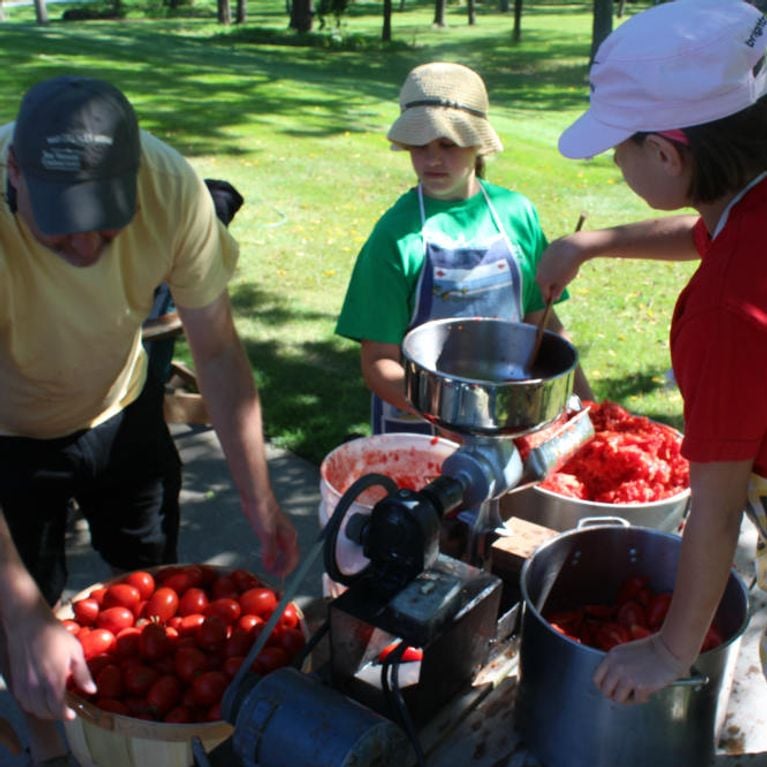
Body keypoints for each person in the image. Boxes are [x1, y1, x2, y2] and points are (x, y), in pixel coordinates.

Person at [0, 75, 300, 765]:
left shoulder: (170, 187)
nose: (86, 250)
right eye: (62, 227)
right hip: (8, 434)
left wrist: (258, 499)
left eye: (107, 223)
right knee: (23, 608)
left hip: (121, 404)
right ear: (14, 171)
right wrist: (20, 610)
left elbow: (217, 349)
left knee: (150, 566)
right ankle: (47, 748)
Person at [535, 0, 767, 705]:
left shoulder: (725, 309)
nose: (615, 159)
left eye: (620, 147)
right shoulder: (750, 202)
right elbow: (708, 231)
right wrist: (592, 242)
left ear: (666, 153)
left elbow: (717, 507)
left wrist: (667, 649)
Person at [335, 61, 593, 437]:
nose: (432, 159)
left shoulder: (516, 214)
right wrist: (450, 415)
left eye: (448, 144)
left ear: (478, 145)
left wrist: (588, 406)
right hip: (421, 428)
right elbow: (378, 361)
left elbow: (543, 322)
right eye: (419, 145)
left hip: (511, 418)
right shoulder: (396, 235)